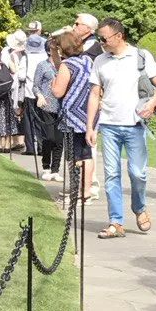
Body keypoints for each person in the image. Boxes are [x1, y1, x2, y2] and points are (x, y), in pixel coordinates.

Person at [87, 17, 156, 239]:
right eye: (99, 38)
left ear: (119, 35)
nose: (101, 42)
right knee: (111, 174)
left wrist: (152, 103)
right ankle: (116, 222)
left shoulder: (141, 56)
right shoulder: (100, 60)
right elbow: (94, 94)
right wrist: (90, 126)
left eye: (104, 38)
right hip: (109, 124)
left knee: (137, 173)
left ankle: (139, 206)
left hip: (134, 124)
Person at [50, 31, 97, 197]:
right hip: (88, 111)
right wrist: (54, 53)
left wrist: (53, 85)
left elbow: (58, 92)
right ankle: (86, 190)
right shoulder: (87, 61)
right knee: (86, 153)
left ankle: (77, 189)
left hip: (72, 114)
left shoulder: (67, 65)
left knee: (74, 154)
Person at [33, 36, 63, 180]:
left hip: (61, 107)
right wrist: (40, 96)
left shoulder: (64, 65)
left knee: (59, 140)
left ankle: (55, 169)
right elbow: (36, 85)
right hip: (47, 105)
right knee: (49, 138)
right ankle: (46, 166)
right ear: (49, 51)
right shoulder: (42, 66)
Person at [21, 20, 48, 158]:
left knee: (28, 121)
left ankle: (30, 147)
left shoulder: (25, 57)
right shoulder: (45, 57)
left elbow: (21, 75)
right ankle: (42, 147)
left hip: (29, 92)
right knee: (41, 121)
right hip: (43, 93)